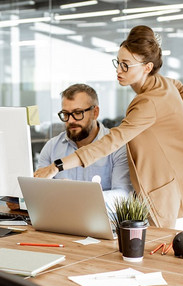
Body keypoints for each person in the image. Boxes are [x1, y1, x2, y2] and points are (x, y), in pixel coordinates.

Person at [34, 26, 183, 229]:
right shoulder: (165, 84)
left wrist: (58, 166)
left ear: (147, 67)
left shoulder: (148, 102)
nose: (118, 71)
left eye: (126, 65)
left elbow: (111, 142)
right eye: (118, 63)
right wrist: (181, 132)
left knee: (163, 252)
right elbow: (180, 88)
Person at [38, 83, 132, 211]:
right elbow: (38, 192)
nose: (71, 120)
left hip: (104, 225)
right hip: (60, 222)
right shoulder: (52, 147)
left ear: (95, 112)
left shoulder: (117, 147)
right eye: (65, 114)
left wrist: (79, 196)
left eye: (77, 113)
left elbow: (123, 196)